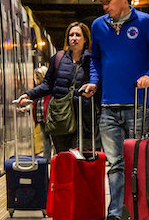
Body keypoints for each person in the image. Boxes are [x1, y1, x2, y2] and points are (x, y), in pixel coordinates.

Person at [80, 0, 149, 220]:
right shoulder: (98, 26)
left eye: (108, 0)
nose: (104, 6)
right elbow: (96, 60)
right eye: (102, 2)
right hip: (108, 105)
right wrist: (95, 83)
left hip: (139, 105)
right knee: (115, 163)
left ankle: (141, 212)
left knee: (138, 162)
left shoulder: (145, 22)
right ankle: (117, 214)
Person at [16, 23, 93, 156]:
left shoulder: (91, 60)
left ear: (85, 39)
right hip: (60, 117)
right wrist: (29, 95)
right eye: (71, 35)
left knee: (80, 158)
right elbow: (47, 85)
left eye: (78, 35)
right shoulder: (58, 58)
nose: (74, 38)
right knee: (62, 157)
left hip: (83, 117)